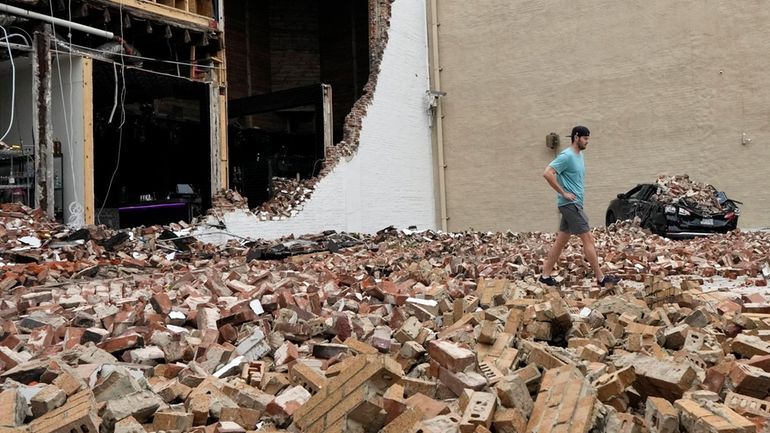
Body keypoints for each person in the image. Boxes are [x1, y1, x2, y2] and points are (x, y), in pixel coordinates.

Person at [539, 125, 620, 287]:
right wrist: (563, 192)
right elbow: (547, 173)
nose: (587, 142)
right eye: (585, 138)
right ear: (576, 137)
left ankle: (545, 276)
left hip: (575, 204)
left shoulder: (579, 155)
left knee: (561, 241)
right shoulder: (566, 156)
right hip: (570, 204)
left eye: (588, 138)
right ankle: (601, 278)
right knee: (588, 238)